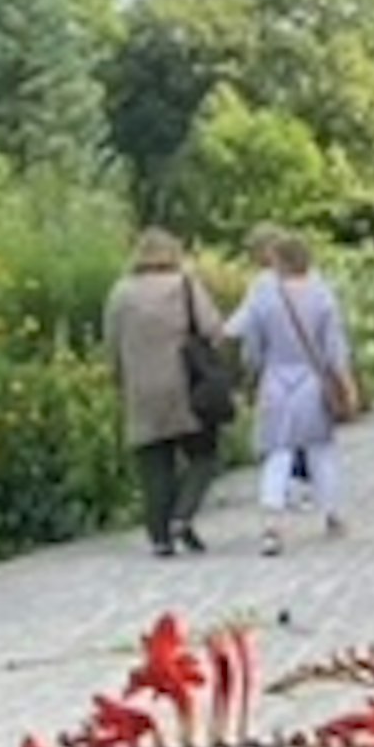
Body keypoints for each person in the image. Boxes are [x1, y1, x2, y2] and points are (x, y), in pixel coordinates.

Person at [100, 227, 227, 558]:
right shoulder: (184, 285)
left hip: (141, 388)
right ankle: (182, 516)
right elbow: (213, 328)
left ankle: (160, 538)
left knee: (154, 462)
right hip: (186, 384)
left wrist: (119, 379)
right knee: (204, 455)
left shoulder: (121, 293)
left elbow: (111, 344)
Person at [230, 229, 356, 553]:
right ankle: (332, 514)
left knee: (277, 453)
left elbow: (252, 347)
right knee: (320, 450)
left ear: (279, 262)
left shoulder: (265, 298)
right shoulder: (322, 295)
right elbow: (334, 347)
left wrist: (253, 371)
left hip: (276, 379)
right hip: (313, 381)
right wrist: (345, 382)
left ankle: (273, 522)